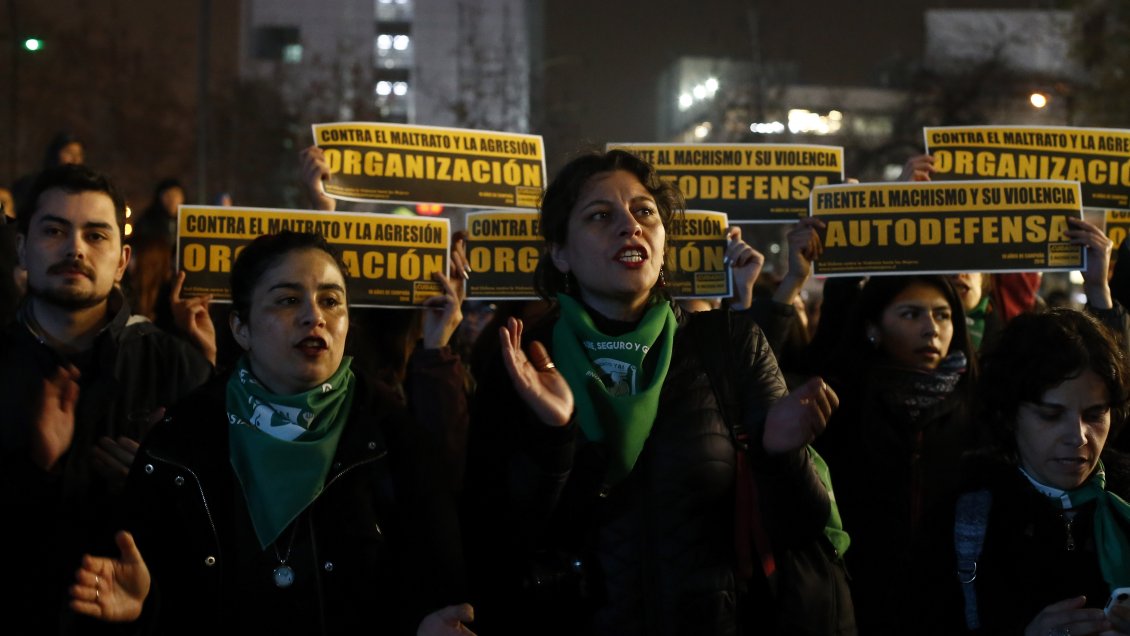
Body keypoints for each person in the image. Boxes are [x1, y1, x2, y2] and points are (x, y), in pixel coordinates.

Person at [463, 149, 843, 635]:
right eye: (600, 216)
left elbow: (800, 529)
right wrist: (555, 436)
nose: (630, 226)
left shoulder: (730, 345)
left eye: (644, 211)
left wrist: (782, 455)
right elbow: (493, 532)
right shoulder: (524, 358)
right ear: (560, 251)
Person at [68, 231, 474, 634]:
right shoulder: (182, 441)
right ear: (241, 328)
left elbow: (434, 574)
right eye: (288, 300)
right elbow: (155, 583)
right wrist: (146, 604)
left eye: (331, 301)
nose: (314, 316)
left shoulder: (394, 438)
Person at [0, 164, 213, 634]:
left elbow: (224, 539)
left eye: (96, 236)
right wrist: (35, 469)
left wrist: (158, 480)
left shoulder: (177, 368)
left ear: (121, 260)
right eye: (54, 230)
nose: (75, 248)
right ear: (22, 249)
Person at [916, 308, 1130, 635]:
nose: (1078, 436)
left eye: (1095, 414)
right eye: (1050, 414)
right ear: (1009, 414)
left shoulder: (1123, 502)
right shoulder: (965, 519)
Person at [812, 274, 979, 634]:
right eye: (910, 314)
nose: (931, 329)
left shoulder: (979, 408)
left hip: (952, 605)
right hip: (860, 601)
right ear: (873, 328)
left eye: (942, 315)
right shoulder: (839, 405)